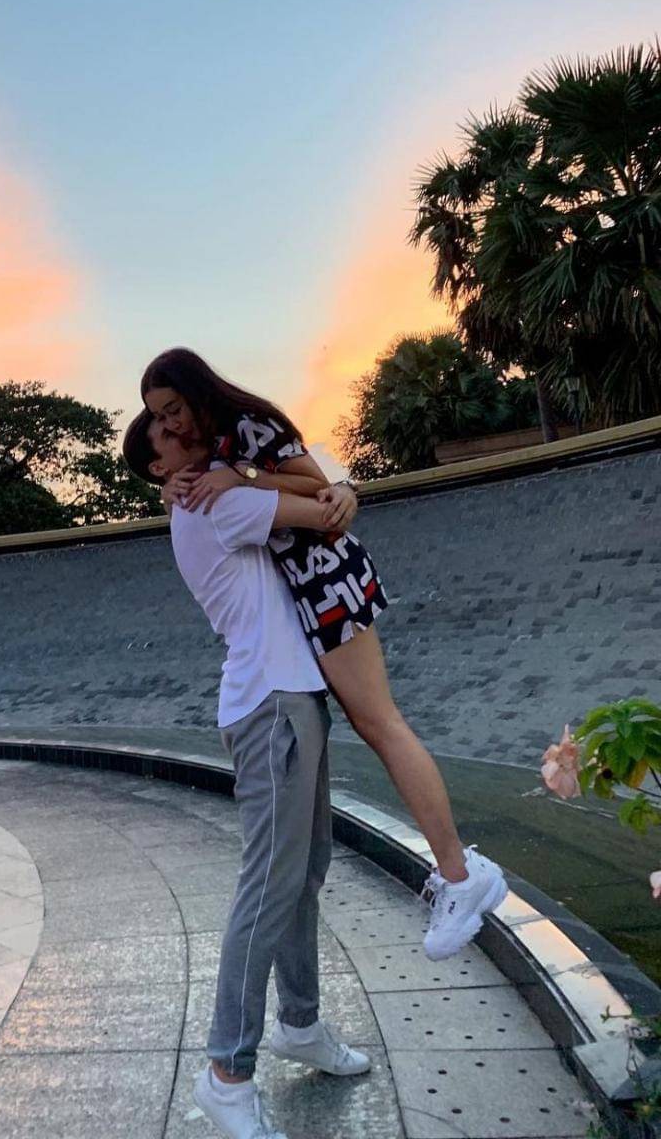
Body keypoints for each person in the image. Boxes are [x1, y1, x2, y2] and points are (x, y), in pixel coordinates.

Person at [140, 348, 507, 962]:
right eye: (160, 417)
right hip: (308, 585)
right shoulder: (219, 445)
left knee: (380, 722)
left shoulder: (251, 425)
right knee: (374, 723)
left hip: (325, 574)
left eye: (174, 408)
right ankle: (459, 873)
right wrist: (178, 486)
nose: (171, 423)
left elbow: (322, 487)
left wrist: (245, 478)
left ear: (197, 392)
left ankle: (460, 875)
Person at [122, 410, 372, 1139]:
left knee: (303, 873)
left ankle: (300, 1023)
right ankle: (226, 1073)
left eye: (181, 420)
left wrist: (331, 484)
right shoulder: (214, 504)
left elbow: (320, 481)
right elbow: (322, 504)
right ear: (160, 470)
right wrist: (338, 491)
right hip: (269, 707)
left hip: (291, 698)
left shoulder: (219, 491)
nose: (185, 432)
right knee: (268, 886)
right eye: (167, 437)